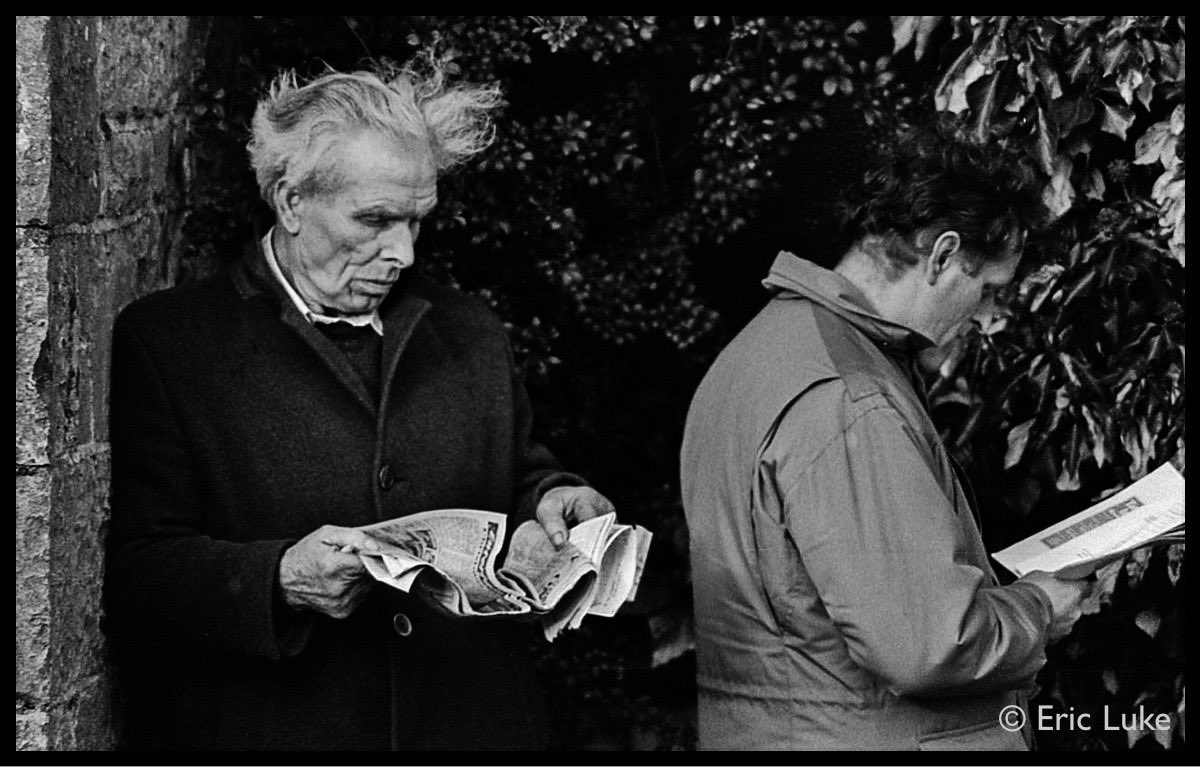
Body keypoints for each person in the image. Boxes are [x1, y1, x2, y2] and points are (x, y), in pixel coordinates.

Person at [104, 59, 614, 751]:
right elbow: (139, 578)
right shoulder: (173, 343)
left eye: (416, 220)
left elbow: (521, 474)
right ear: (290, 202)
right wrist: (278, 577)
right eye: (375, 220)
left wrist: (555, 501)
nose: (402, 251)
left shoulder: (468, 330)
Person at [679, 124, 1091, 750]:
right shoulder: (850, 397)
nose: (986, 318)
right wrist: (1039, 608)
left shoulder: (758, 353)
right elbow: (926, 643)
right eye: (988, 290)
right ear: (942, 255)